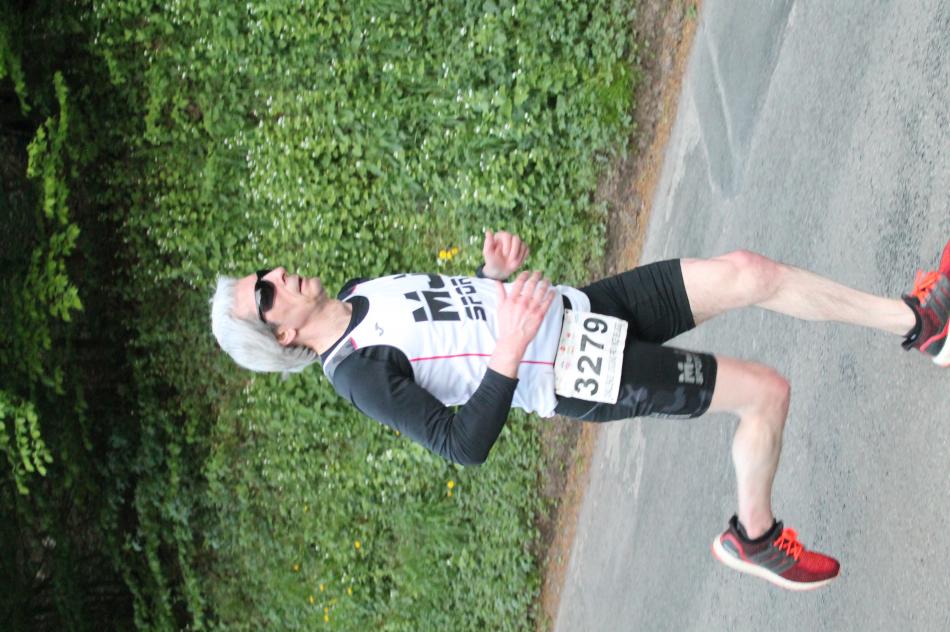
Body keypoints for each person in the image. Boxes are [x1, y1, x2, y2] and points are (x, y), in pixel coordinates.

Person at [210, 230, 950, 591]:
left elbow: (456, 331)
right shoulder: (357, 375)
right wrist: (512, 344)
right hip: (581, 372)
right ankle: (754, 536)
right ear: (281, 335)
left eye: (264, 271)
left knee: (747, 272)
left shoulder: (359, 293)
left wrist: (493, 274)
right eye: (265, 293)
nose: (278, 274)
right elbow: (462, 444)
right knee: (767, 393)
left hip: (584, 310)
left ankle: (919, 320)